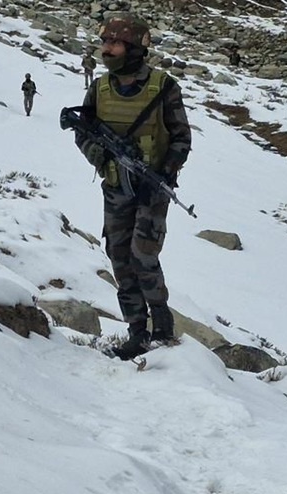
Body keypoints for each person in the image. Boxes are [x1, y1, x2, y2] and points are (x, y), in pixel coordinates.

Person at [74, 13, 191, 360]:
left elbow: (181, 139)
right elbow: (83, 130)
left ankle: (162, 326)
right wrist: (97, 154)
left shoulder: (163, 87)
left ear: (136, 48)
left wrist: (163, 175)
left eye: (115, 43)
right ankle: (137, 332)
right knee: (119, 257)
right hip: (115, 188)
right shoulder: (99, 88)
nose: (106, 49)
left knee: (143, 254)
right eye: (105, 42)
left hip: (151, 189)